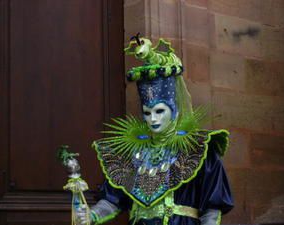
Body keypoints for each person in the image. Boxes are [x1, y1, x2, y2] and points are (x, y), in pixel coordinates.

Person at [76, 35, 233, 225]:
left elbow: (212, 208)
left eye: (160, 111)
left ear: (173, 110)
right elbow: (112, 200)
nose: (153, 119)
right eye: (147, 113)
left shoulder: (198, 150)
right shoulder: (132, 153)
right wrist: (91, 215)